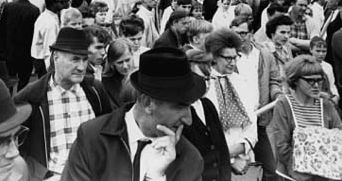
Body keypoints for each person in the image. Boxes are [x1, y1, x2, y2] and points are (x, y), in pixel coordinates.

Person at [61, 47, 205, 181]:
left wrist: (155, 177)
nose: (189, 120)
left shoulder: (190, 159)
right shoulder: (92, 138)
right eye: (180, 106)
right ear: (148, 103)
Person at [14, 27, 113, 181]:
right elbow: (18, 148)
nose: (81, 67)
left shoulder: (95, 91)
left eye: (85, 59)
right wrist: (42, 176)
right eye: (75, 59)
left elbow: (109, 133)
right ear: (55, 57)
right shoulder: (31, 97)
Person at [268, 55, 342, 181]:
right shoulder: (284, 104)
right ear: (296, 80)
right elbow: (281, 146)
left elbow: (340, 137)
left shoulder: (326, 104)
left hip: (324, 174)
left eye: (319, 80)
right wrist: (303, 173)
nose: (316, 85)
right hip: (293, 175)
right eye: (310, 81)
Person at [230, 15, 283, 181]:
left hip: (258, 119)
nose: (239, 37)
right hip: (235, 122)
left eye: (243, 33)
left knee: (271, 169)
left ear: (251, 33)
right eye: (235, 33)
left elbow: (274, 81)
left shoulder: (264, 55)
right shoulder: (229, 57)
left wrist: (277, 95)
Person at [204, 29, 258, 175]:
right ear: (214, 57)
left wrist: (241, 148)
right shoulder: (205, 85)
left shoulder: (241, 82)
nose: (233, 62)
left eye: (235, 57)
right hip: (214, 164)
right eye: (228, 58)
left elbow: (252, 123)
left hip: (244, 159)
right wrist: (229, 159)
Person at [182, 48, 231, 181]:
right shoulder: (180, 112)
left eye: (208, 79)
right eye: (200, 79)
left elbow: (222, 149)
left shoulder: (207, 105)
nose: (206, 85)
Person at [0, 0, 40, 90]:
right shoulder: (34, 10)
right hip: (25, 52)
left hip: (9, 50)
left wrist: (1, 49)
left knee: (9, 80)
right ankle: (19, 101)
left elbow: (1, 29)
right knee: (23, 80)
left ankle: (9, 98)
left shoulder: (9, 7)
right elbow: (34, 33)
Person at [30, 0, 66, 77]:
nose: (63, 4)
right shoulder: (49, 23)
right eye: (61, 2)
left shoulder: (47, 16)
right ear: (53, 4)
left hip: (39, 57)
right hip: (44, 60)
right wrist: (51, 69)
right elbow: (49, 49)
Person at [101, 38, 133, 107]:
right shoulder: (106, 83)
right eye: (120, 62)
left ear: (132, 55)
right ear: (112, 63)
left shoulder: (139, 76)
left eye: (127, 60)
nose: (125, 66)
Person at [309, 36, 339, 106]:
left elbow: (332, 84)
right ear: (311, 50)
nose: (321, 54)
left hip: (328, 99)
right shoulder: (306, 66)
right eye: (318, 51)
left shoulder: (328, 66)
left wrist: (336, 96)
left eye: (324, 51)